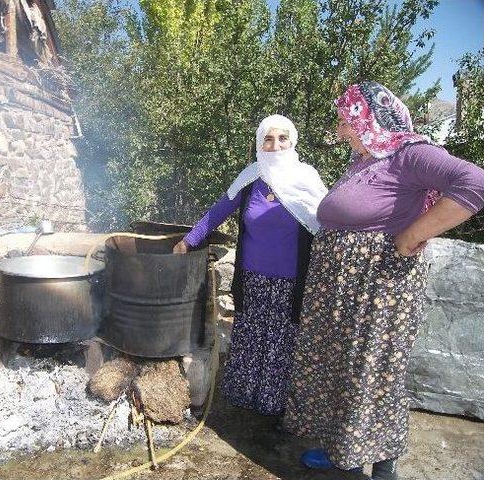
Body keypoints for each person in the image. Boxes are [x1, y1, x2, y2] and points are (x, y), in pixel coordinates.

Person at [283, 81, 484, 480]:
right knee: (341, 366)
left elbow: (474, 182)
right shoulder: (366, 159)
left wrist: (413, 235)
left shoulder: (409, 154)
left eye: (345, 122)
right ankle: (346, 450)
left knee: (373, 370)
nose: (340, 131)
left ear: (370, 119)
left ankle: (378, 465)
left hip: (380, 286)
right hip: (344, 284)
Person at [174, 114, 328, 415]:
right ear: (259, 142)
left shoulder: (306, 179)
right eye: (268, 139)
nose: (275, 145)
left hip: (290, 282)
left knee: (280, 341)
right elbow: (217, 211)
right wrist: (188, 241)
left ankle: (273, 404)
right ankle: (244, 394)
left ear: (292, 141)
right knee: (248, 336)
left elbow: (328, 220)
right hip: (253, 278)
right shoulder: (250, 178)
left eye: (282, 138)